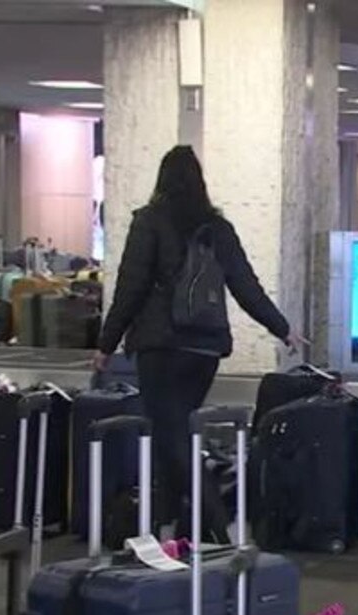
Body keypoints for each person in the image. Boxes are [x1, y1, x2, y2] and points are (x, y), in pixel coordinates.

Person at [94, 145, 301, 530]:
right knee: (171, 436)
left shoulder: (149, 222)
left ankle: (218, 530)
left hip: (161, 348)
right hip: (204, 351)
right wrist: (281, 327)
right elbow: (245, 286)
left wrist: (106, 345)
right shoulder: (217, 229)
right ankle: (172, 530)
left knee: (172, 439)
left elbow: (131, 289)